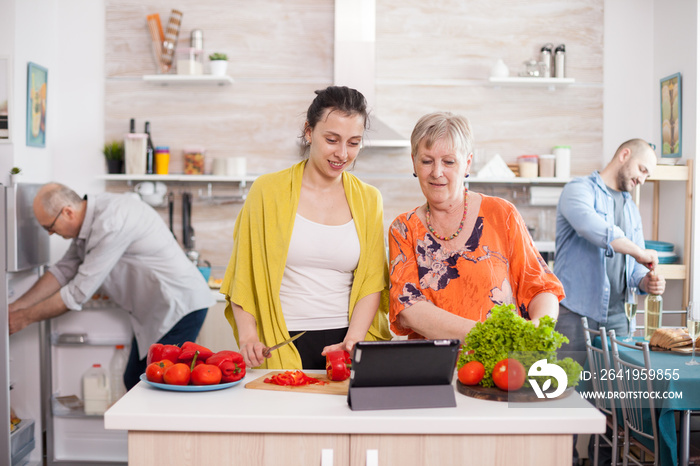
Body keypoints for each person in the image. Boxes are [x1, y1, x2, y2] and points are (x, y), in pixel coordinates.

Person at [220, 85, 391, 370]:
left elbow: (373, 282)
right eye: (332, 139)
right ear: (309, 132)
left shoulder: (369, 200)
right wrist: (249, 335)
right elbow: (244, 271)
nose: (342, 153)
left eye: (353, 142)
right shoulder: (267, 191)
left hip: (345, 342)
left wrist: (353, 342)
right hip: (280, 341)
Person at [8, 183, 215, 390]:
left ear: (68, 212)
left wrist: (24, 318)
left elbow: (76, 293)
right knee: (135, 381)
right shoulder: (87, 223)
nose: (51, 233)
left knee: (159, 386)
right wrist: (15, 307)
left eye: (49, 227)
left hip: (179, 307)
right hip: (156, 313)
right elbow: (62, 271)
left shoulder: (111, 221)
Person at [388, 111, 564, 341]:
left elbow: (541, 287)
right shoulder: (403, 228)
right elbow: (409, 310)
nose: (437, 172)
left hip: (503, 366)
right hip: (435, 368)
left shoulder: (502, 214)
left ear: (467, 163)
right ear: (414, 162)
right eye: (427, 161)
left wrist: (538, 329)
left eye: (449, 162)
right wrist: (488, 335)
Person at [552, 138, 666, 466]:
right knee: (563, 393)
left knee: (615, 405)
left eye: (648, 175)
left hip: (618, 319)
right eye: (642, 169)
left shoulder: (630, 206)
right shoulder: (578, 190)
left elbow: (633, 270)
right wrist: (639, 251)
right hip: (575, 313)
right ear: (624, 155)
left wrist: (645, 281)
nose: (642, 178)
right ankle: (565, 460)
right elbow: (593, 228)